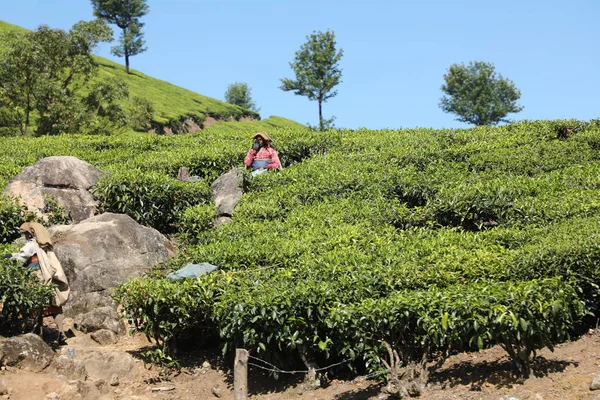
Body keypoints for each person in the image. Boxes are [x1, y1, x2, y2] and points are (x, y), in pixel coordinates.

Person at [7, 222, 70, 342]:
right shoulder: (45, 245)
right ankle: (61, 333)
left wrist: (10, 258)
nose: (25, 236)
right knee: (54, 306)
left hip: (37, 277)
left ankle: (39, 336)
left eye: (26, 233)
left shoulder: (32, 245)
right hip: (47, 276)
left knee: (36, 305)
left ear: (30, 234)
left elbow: (22, 257)